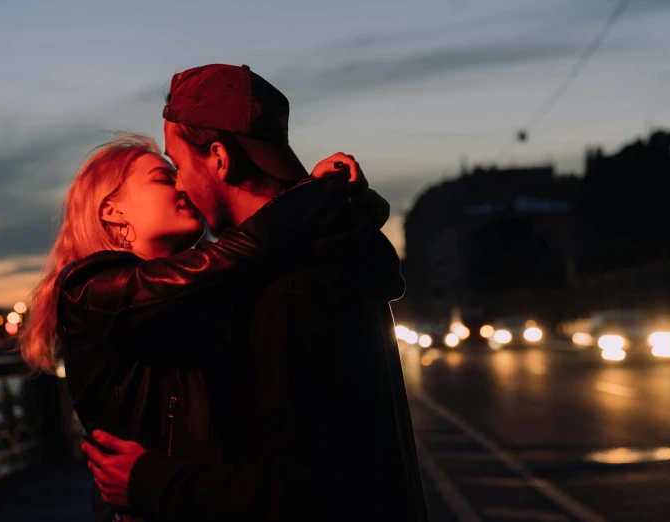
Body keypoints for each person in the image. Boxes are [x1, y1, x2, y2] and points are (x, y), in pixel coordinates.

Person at [81, 64, 429, 521]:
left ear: (220, 158)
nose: (181, 185)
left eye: (179, 165)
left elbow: (307, 493)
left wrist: (150, 482)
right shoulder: (330, 252)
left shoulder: (288, 285)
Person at [19, 132, 373, 522]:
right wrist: (311, 193)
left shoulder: (203, 294)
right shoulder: (88, 289)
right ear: (112, 210)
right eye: (162, 178)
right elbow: (240, 253)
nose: (182, 184)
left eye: (178, 173)